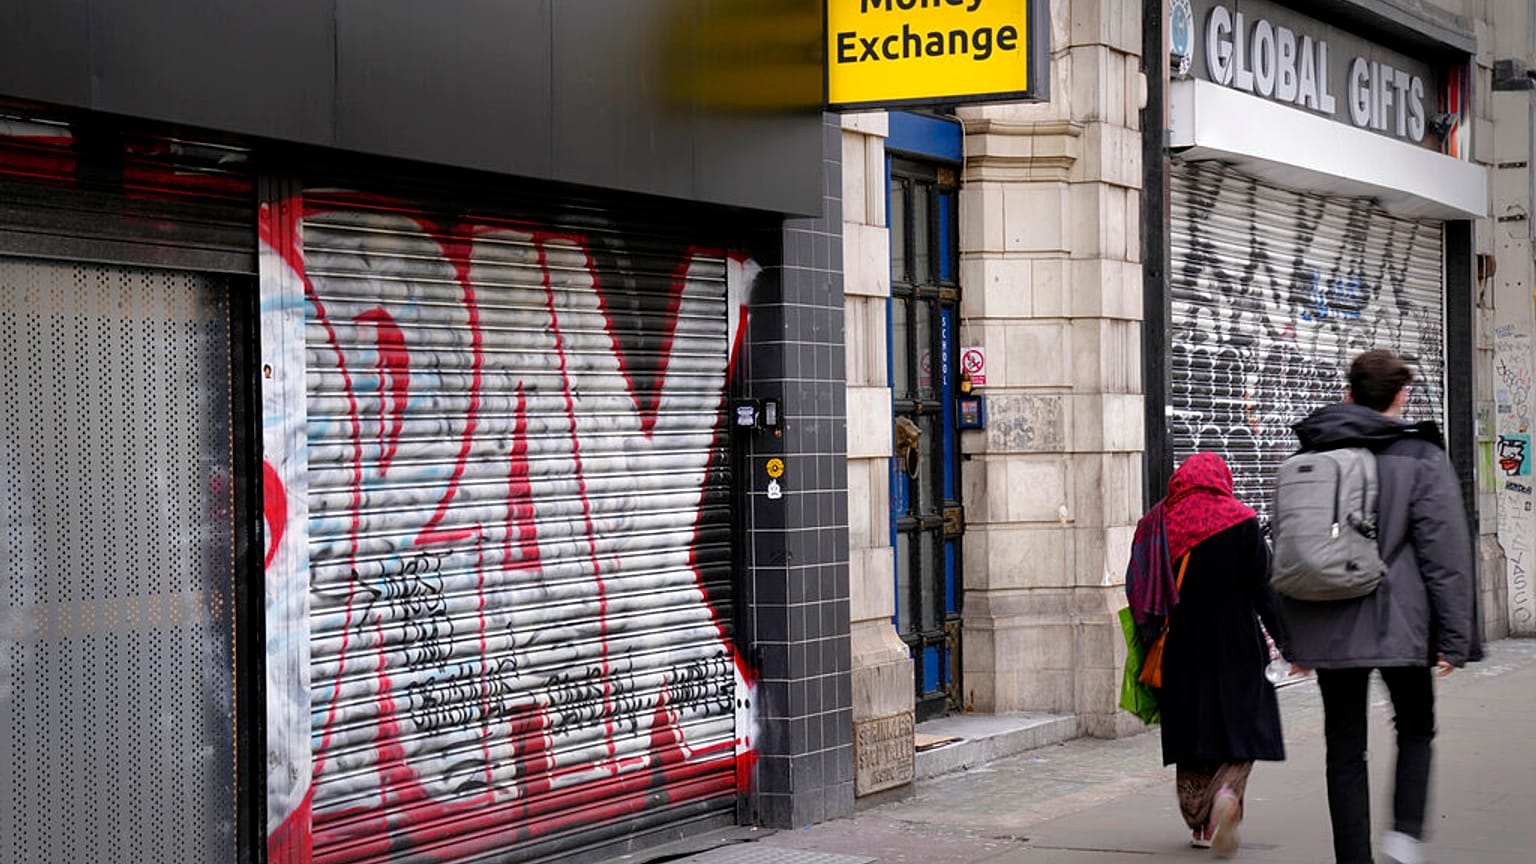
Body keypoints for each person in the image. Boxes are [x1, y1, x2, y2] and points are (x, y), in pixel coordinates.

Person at [1279, 348, 1478, 864]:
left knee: (1344, 747)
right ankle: (1403, 836)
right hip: (1401, 626)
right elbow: (1445, 553)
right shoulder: (1421, 457)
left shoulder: (1313, 452)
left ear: (1349, 394)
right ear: (1401, 396)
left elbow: (1289, 548)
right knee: (1415, 727)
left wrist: (1292, 639)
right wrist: (1456, 638)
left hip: (1328, 621)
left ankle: (1353, 858)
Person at [1127, 452, 1288, 858]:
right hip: (1237, 648)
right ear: (1221, 480)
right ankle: (1226, 795)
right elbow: (1264, 592)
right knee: (1245, 729)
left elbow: (1138, 586)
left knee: (1191, 738)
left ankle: (1199, 820)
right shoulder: (1242, 521)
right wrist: (1290, 642)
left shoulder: (1158, 523)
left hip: (1179, 650)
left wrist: (1148, 637)